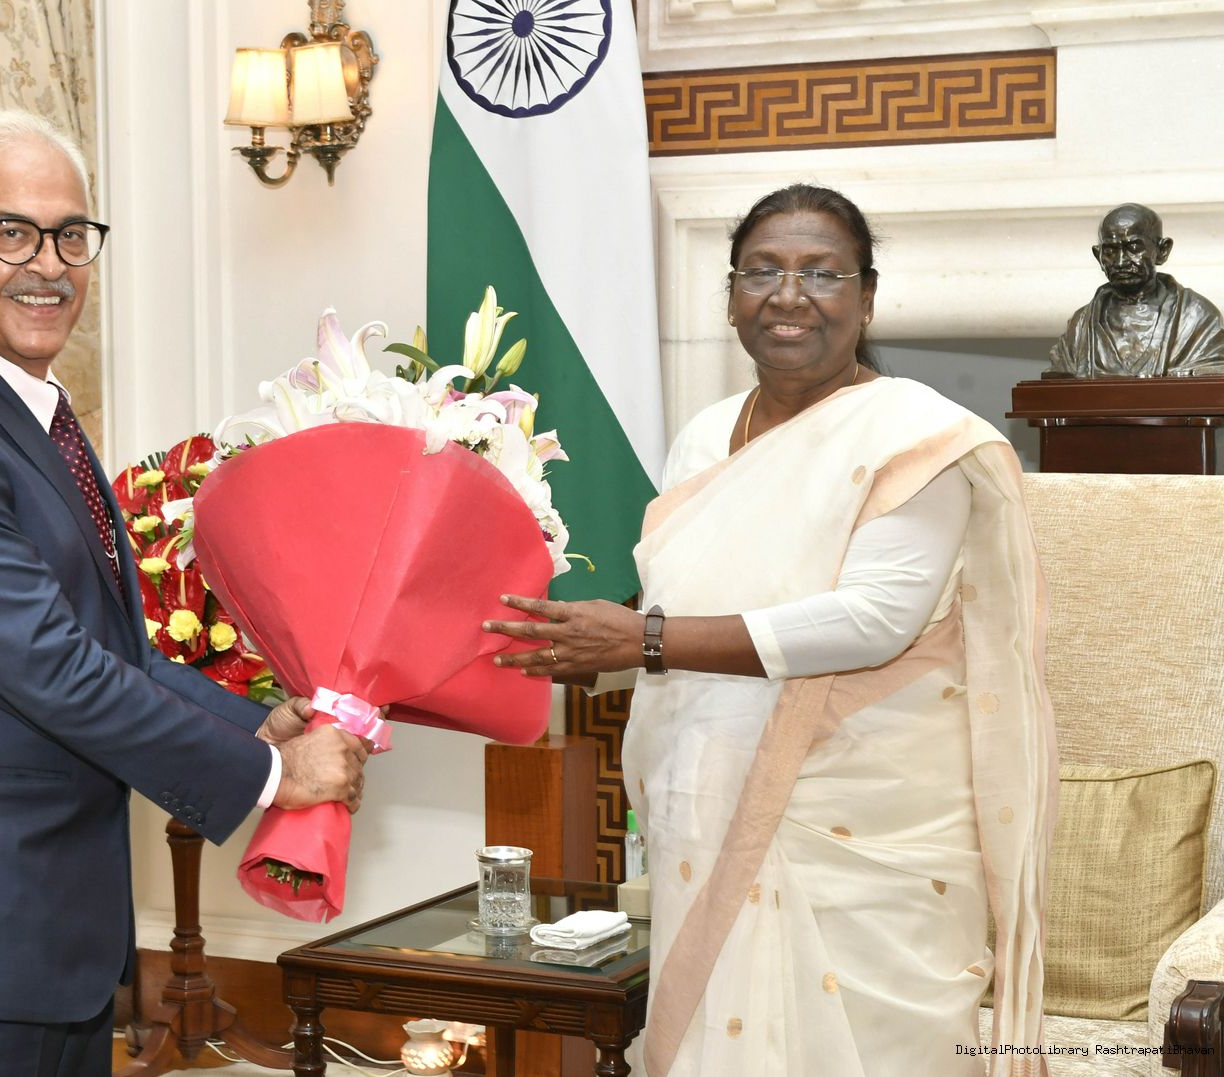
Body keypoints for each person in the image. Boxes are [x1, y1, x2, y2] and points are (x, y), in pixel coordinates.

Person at [0, 110, 369, 1077]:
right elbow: (55, 670)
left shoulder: (26, 407)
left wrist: (255, 725)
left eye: (71, 236)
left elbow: (107, 648)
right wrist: (275, 777)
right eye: (11, 233)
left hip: (28, 932)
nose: (49, 266)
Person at [485, 184, 1056, 1075]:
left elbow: (873, 620)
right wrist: (581, 646)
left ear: (867, 298)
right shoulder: (704, 436)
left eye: (822, 273)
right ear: (730, 298)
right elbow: (690, 600)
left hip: (863, 817)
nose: (789, 295)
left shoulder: (919, 438)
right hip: (705, 794)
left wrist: (640, 641)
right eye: (762, 271)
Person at [1048, 202, 1224, 376]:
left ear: (1162, 250)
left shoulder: (1197, 318)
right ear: (1098, 256)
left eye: (1133, 248)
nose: (1120, 262)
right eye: (1110, 251)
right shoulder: (1080, 327)